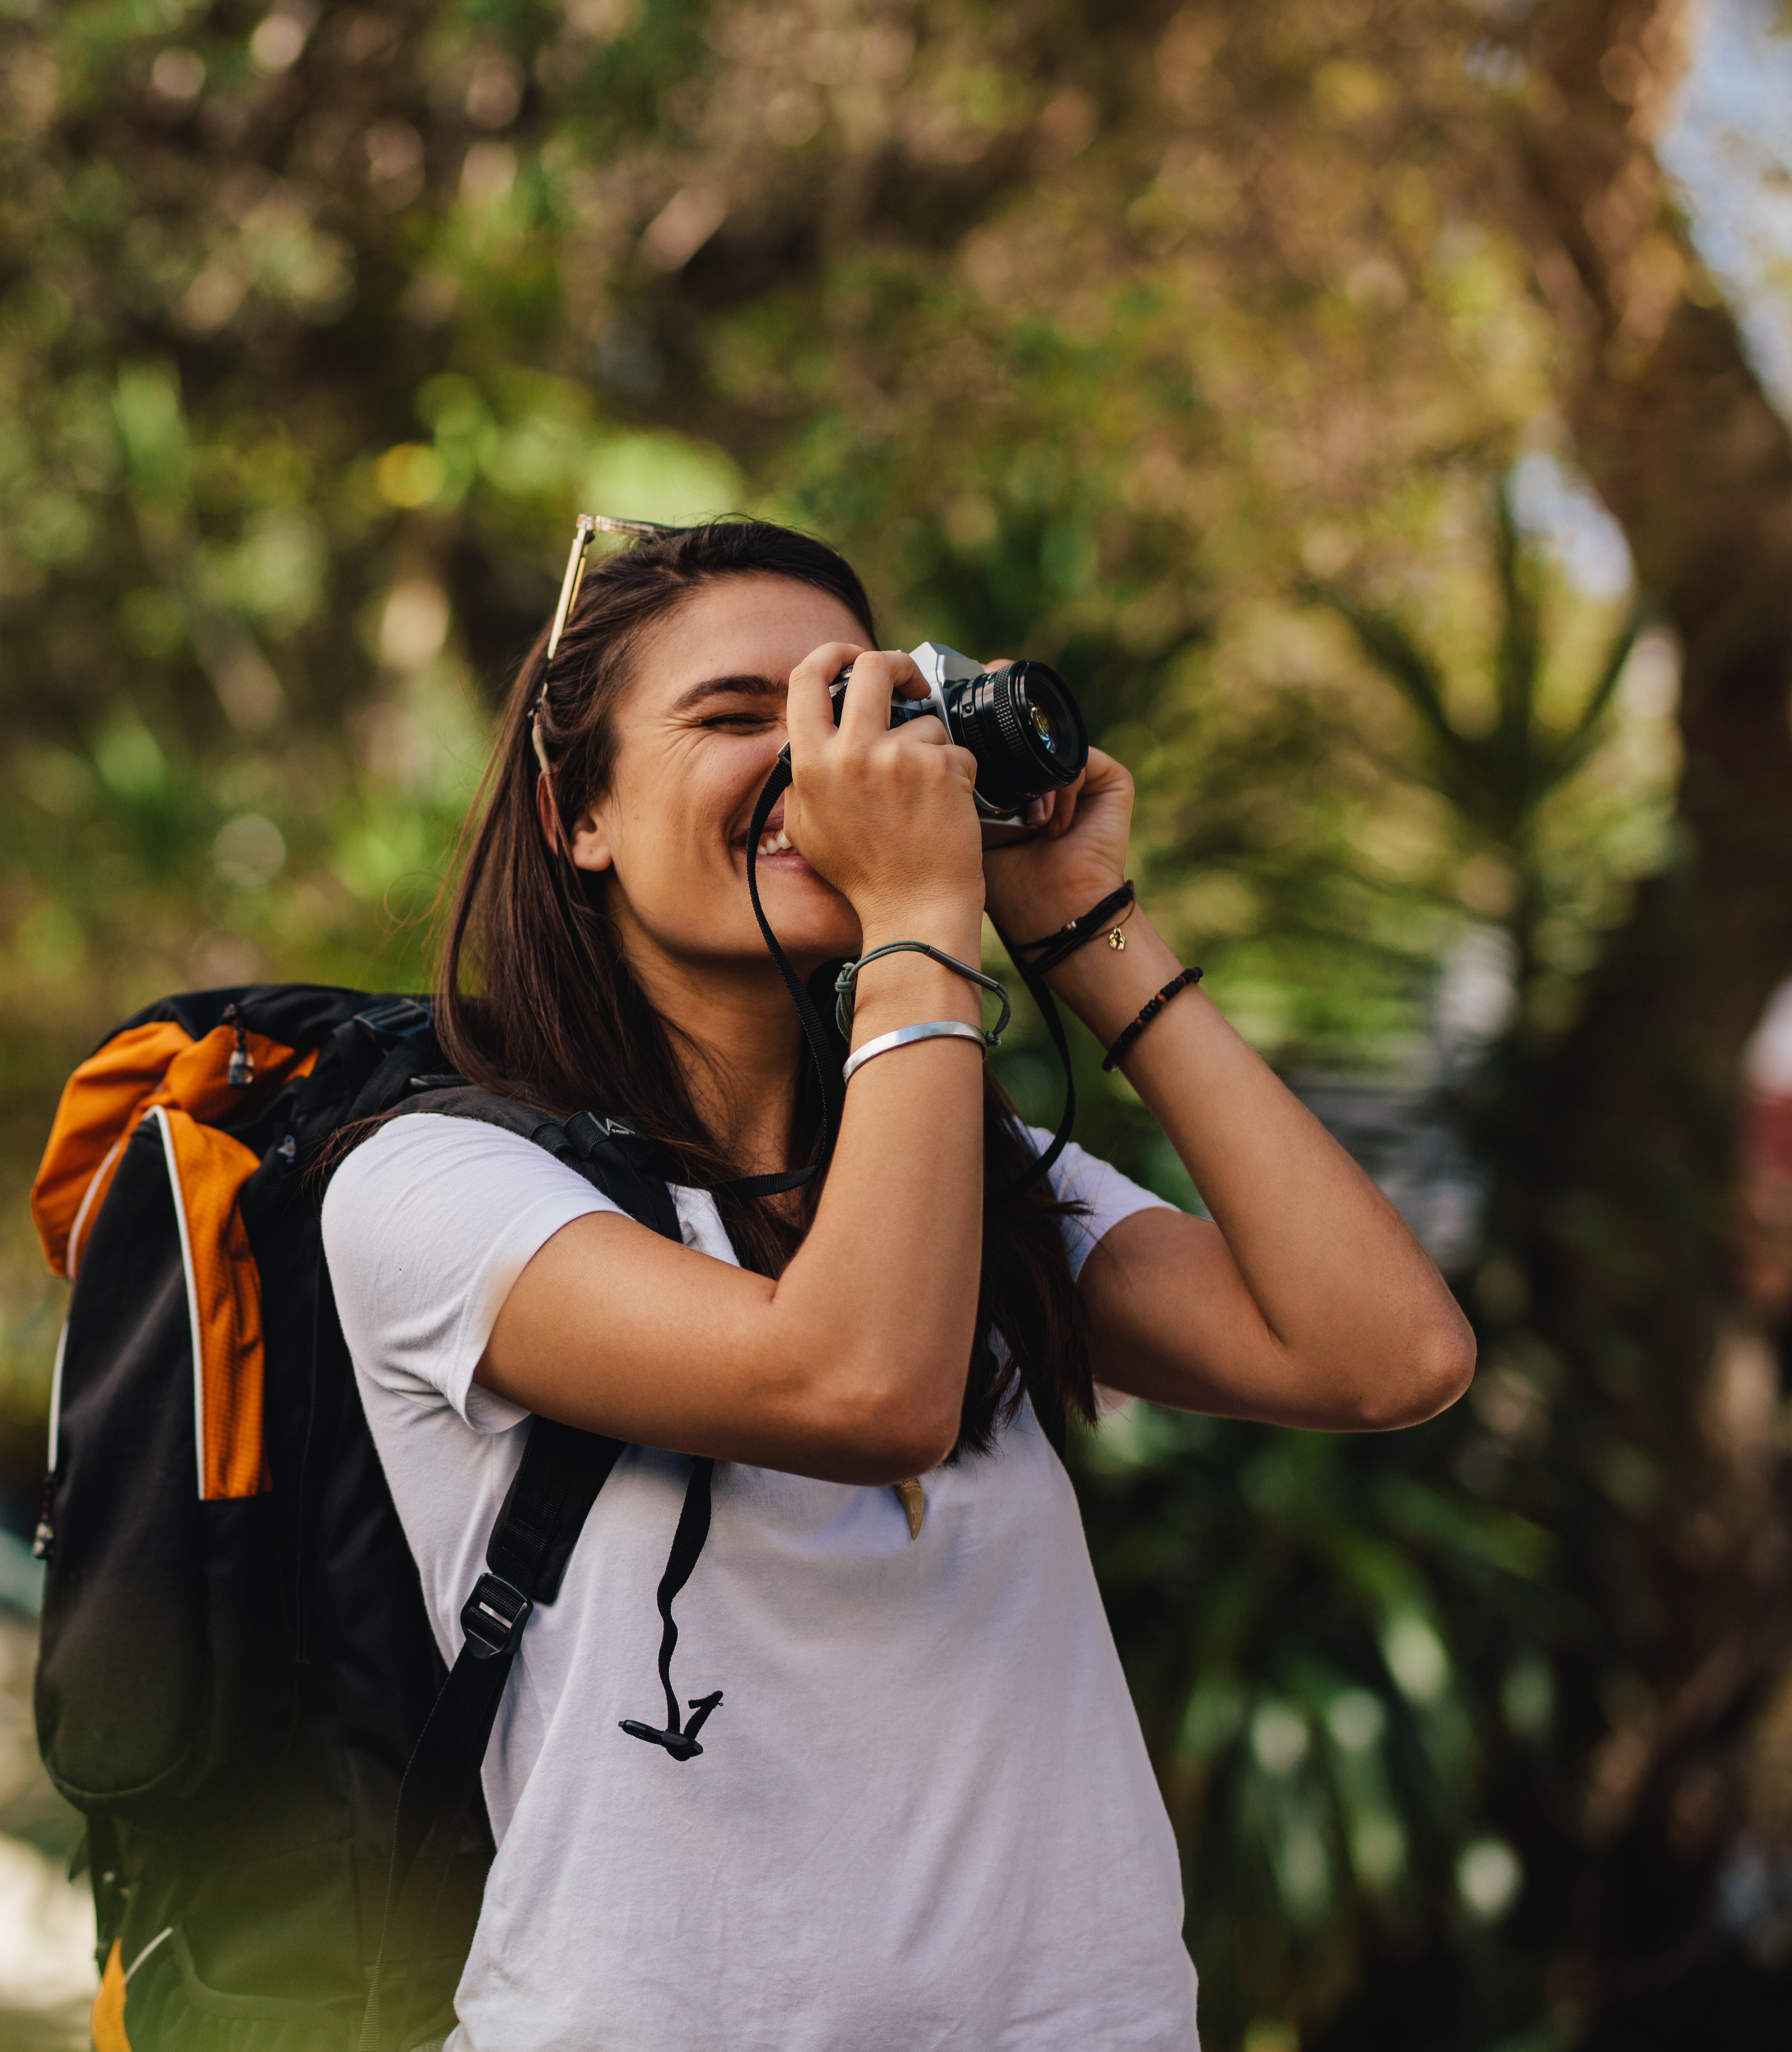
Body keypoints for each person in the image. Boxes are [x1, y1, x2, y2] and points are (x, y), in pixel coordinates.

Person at [322, 515, 1474, 2051]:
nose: (820, 763)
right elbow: (862, 1385)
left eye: (857, 708)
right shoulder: (436, 1189)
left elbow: (1386, 1355)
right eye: (743, 719)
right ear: (574, 810)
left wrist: (1084, 925)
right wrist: (923, 920)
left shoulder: (976, 1185)